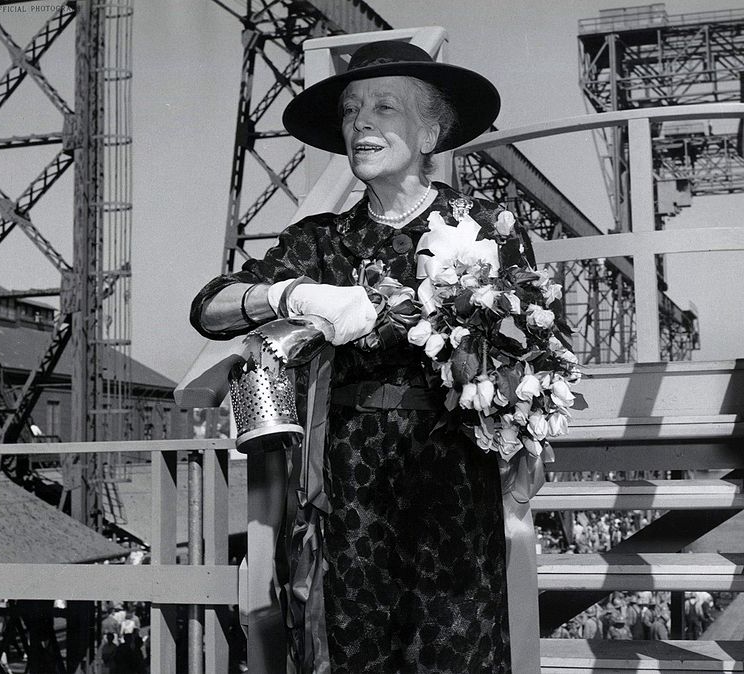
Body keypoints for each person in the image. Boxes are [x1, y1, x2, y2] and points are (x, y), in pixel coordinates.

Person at [190, 39, 534, 673]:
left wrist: (530, 445)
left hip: (451, 473)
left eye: (384, 106)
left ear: (431, 132)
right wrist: (294, 291)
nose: (362, 123)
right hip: (351, 486)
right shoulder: (319, 241)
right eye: (351, 111)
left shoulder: (485, 229)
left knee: (456, 647)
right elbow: (209, 308)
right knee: (354, 651)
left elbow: (530, 354)